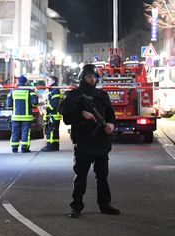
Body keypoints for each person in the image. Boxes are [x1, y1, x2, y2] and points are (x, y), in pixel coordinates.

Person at [59, 64, 120, 218]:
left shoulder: (102, 95)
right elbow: (66, 116)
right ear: (82, 77)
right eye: (88, 76)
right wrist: (81, 114)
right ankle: (76, 206)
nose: (92, 79)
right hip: (84, 142)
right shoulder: (75, 95)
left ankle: (105, 205)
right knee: (81, 176)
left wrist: (111, 124)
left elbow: (111, 114)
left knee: (102, 176)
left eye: (94, 77)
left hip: (101, 141)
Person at [6, 75, 39, 153]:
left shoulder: (13, 90)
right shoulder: (29, 90)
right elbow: (35, 103)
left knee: (15, 132)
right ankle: (24, 148)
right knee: (25, 132)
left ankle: (14, 148)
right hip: (26, 116)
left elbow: (8, 104)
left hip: (15, 116)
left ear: (18, 81)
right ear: (26, 82)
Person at [41, 76, 63, 152]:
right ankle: (55, 145)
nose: (47, 82)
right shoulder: (53, 90)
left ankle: (50, 146)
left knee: (50, 130)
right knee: (55, 131)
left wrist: (47, 109)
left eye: (49, 80)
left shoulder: (55, 91)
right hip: (55, 114)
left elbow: (54, 104)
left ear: (53, 81)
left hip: (53, 114)